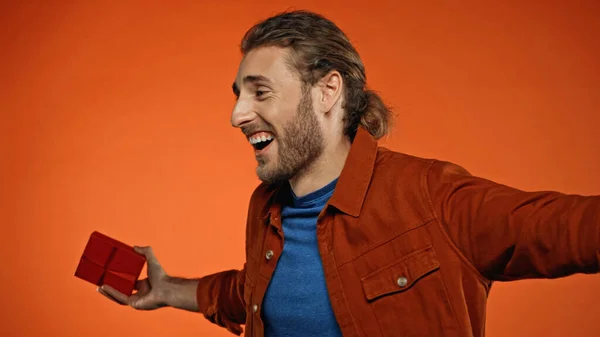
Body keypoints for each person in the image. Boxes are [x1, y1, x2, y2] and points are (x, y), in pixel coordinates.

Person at [98, 10, 600, 337]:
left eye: (261, 92)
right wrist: (169, 291)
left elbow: (563, 227)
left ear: (328, 91)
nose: (237, 115)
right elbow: (254, 293)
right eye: (237, 95)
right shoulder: (266, 207)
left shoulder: (430, 195)